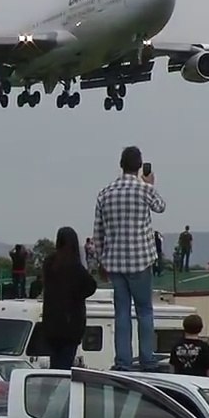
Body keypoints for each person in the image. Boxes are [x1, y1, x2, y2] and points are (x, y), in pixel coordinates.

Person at [93, 145, 167, 372]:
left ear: (121, 164)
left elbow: (98, 232)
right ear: (139, 166)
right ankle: (147, 358)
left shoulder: (105, 193)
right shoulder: (144, 189)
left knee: (121, 312)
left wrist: (100, 260)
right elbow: (161, 207)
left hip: (115, 262)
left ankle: (122, 360)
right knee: (144, 310)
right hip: (140, 259)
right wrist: (150, 184)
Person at [40, 226, 98, 369]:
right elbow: (91, 285)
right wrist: (77, 296)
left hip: (51, 325)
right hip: (71, 325)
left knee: (55, 365)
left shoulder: (50, 263)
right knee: (65, 367)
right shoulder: (75, 266)